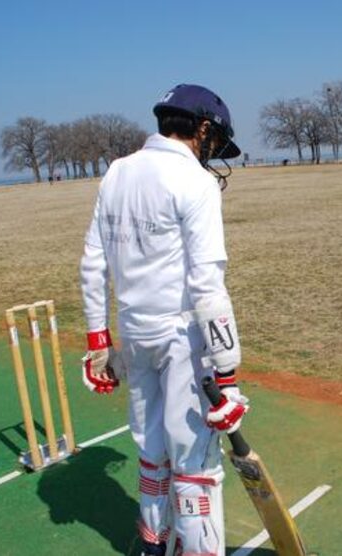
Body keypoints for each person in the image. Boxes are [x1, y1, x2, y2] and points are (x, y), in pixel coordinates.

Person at [79, 83, 247, 556]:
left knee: (152, 451)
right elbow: (208, 286)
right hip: (180, 338)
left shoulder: (117, 172)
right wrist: (227, 376)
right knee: (195, 463)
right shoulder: (194, 181)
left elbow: (93, 263)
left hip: (134, 336)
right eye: (214, 140)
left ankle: (153, 546)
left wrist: (99, 345)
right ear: (203, 127)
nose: (214, 151)